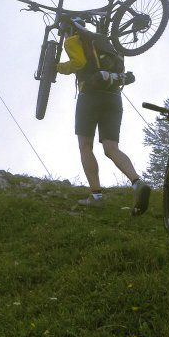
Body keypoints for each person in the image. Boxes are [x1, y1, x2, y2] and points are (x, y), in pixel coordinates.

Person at [57, 26, 151, 215]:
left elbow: (78, 63)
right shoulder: (108, 45)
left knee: (85, 146)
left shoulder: (73, 40)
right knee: (111, 148)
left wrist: (59, 67)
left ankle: (96, 196)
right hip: (114, 97)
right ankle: (137, 182)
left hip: (90, 95)